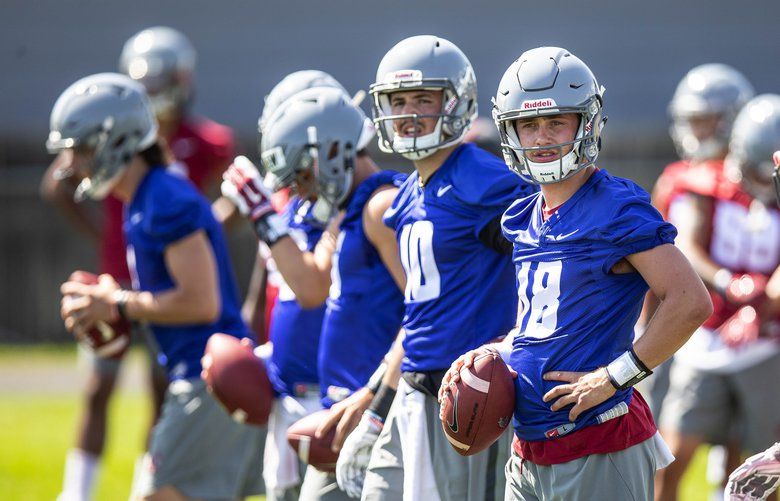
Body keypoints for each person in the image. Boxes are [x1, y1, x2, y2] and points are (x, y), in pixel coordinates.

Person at [442, 46, 712, 501]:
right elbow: (542, 326)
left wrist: (614, 376)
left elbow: (690, 301)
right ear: (511, 131)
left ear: (586, 124)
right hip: (529, 448)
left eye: (556, 122)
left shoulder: (615, 207)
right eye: (529, 124)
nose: (542, 136)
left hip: (598, 441)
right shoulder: (525, 216)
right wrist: (491, 353)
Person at [330, 35, 536, 501]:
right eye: (397, 101)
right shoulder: (407, 194)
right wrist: (378, 405)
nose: (407, 113)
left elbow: (545, 268)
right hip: (413, 388)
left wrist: (509, 348)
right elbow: (420, 316)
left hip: (469, 393)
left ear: (456, 103)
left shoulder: (485, 183)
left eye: (423, 99)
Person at [42, 26, 236, 501]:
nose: (72, 163)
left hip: (200, 379)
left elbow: (202, 302)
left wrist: (117, 302)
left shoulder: (162, 199)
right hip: (196, 376)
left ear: (117, 142)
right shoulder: (139, 196)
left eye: (82, 148)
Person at [221, 85, 406, 500]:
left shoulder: (381, 206)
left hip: (374, 411)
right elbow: (314, 287)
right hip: (340, 411)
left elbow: (427, 312)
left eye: (302, 176)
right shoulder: (348, 208)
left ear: (332, 153)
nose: (300, 191)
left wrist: (375, 396)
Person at [656, 94, 780, 501]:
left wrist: (757, 310)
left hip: (767, 344)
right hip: (708, 337)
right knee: (671, 456)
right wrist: (730, 284)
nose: (765, 185)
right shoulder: (707, 182)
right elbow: (686, 246)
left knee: (760, 467)